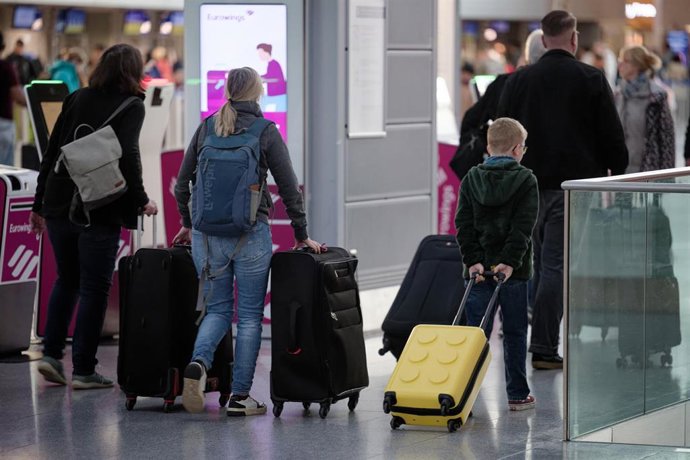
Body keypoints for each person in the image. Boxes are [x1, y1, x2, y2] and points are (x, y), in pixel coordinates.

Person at [173, 67, 321, 416]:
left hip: (206, 237)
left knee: (218, 309)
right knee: (250, 316)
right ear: (257, 93)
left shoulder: (207, 126)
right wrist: (301, 233)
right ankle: (241, 396)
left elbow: (182, 184)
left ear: (228, 91)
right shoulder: (265, 131)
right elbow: (289, 187)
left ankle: (198, 362)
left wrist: (186, 222)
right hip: (250, 234)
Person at [497, 10, 628, 370]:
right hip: (573, 190)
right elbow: (614, 142)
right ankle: (543, 347)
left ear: (542, 38)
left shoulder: (519, 82)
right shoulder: (591, 78)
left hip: (524, 188)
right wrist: (617, 174)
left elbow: (501, 134)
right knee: (555, 266)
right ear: (573, 40)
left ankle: (514, 339)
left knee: (525, 263)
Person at [30, 44, 157, 389]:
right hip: (100, 208)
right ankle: (84, 369)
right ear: (134, 70)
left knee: (66, 280)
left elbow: (53, 149)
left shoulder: (77, 97)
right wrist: (141, 199)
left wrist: (39, 203)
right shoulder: (132, 105)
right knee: (94, 288)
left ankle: (52, 356)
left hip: (59, 202)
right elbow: (129, 156)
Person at [455, 117, 538, 411]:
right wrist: (510, 262)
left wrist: (474, 261)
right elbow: (523, 229)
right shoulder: (526, 180)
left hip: (477, 273)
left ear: (489, 147)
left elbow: (462, 225)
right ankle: (517, 395)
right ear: (517, 149)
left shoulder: (471, 178)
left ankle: (462, 393)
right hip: (514, 274)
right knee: (515, 332)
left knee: (476, 334)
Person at [615, 45, 675, 173]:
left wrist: (667, 177)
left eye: (625, 61)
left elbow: (667, 139)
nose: (620, 64)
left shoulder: (656, 97)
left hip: (648, 172)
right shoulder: (618, 95)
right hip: (621, 173)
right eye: (620, 60)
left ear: (637, 65)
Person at [0, 31, 27, 166]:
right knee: (4, 171)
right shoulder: (6, 67)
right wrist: (32, 103)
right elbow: (17, 95)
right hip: (3, 123)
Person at [256, 43, 286, 111]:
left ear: (266, 52)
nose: (259, 55)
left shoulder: (274, 63)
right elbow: (269, 75)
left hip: (278, 94)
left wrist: (265, 80)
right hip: (274, 94)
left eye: (261, 53)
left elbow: (278, 79)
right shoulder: (270, 64)